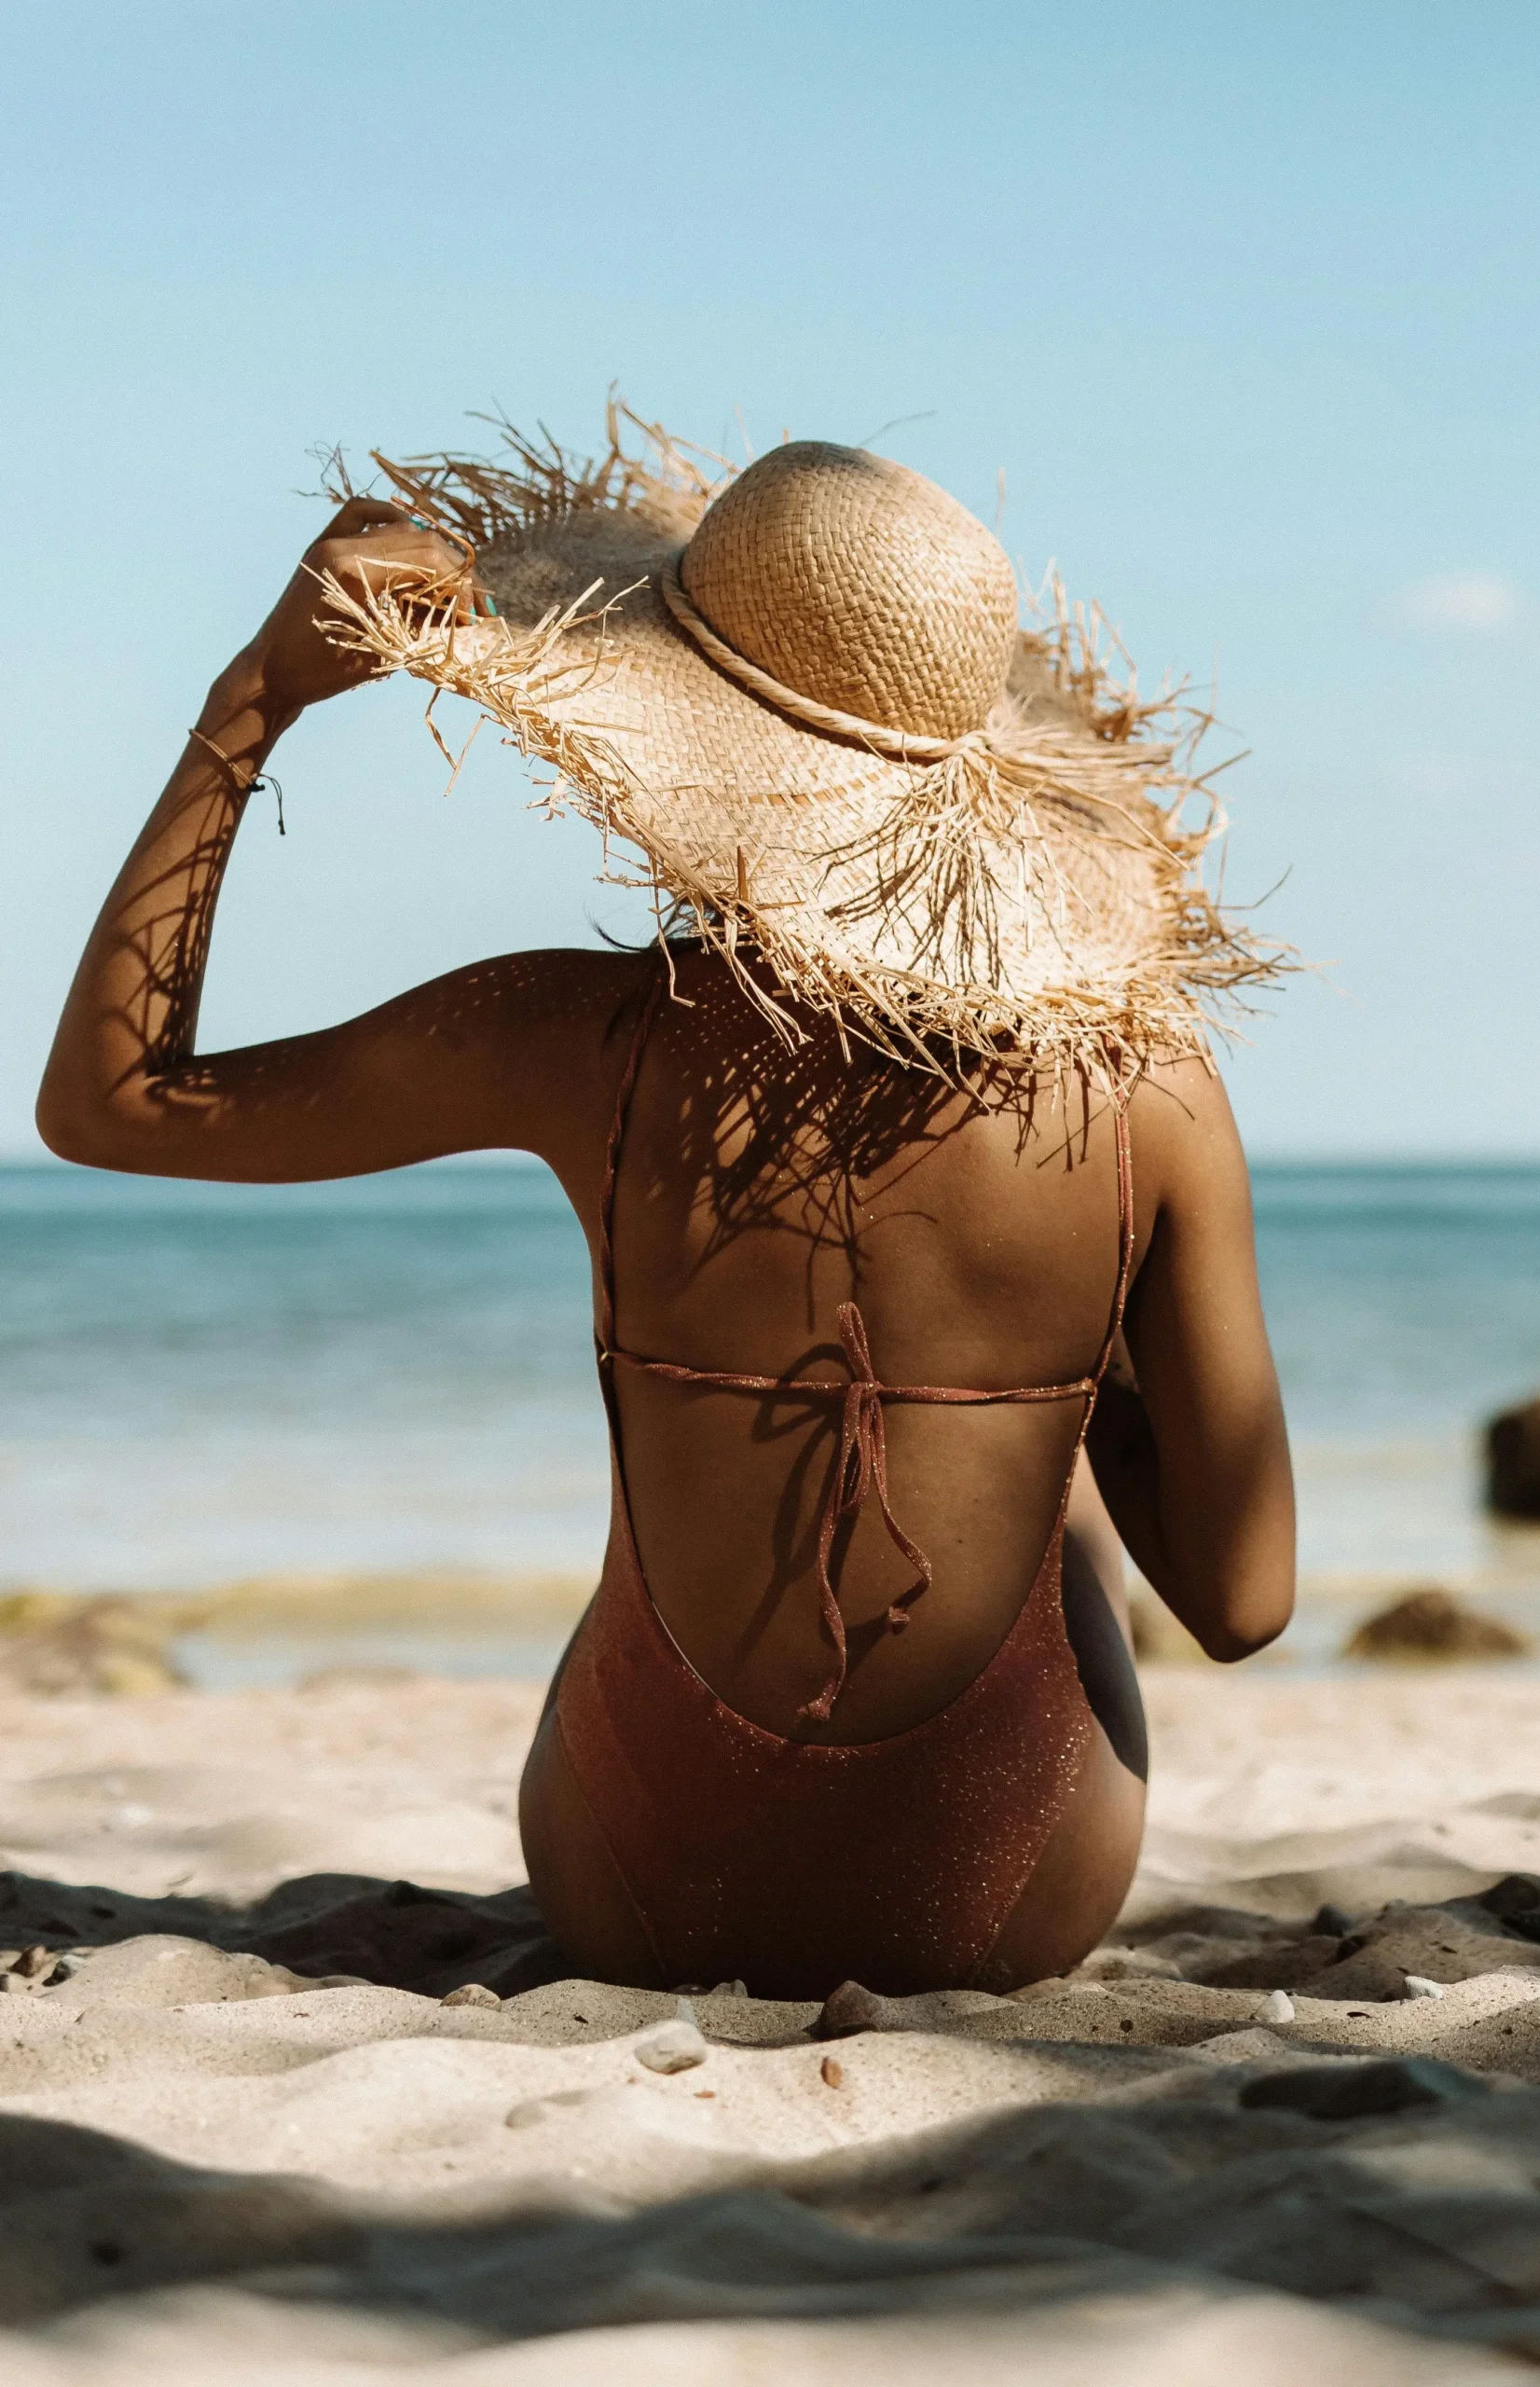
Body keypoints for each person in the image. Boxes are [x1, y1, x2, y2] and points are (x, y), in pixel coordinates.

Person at [38, 411, 1298, 1998]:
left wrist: (252, 708)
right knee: (1068, 1505)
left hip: (635, 1885)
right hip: (1013, 1884)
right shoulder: (1152, 1096)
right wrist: (1079, 1373)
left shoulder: (583, 1040)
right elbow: (1250, 1606)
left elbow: (109, 1107)